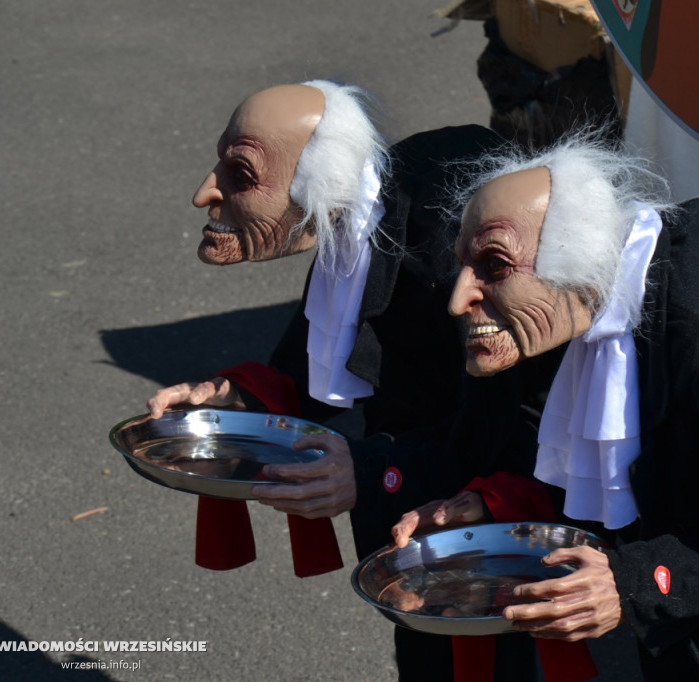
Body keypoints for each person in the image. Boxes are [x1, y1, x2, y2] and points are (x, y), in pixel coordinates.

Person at [145, 80, 558, 681]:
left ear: (317, 182)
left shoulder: (446, 239)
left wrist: (371, 471)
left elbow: (510, 421)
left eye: (240, 174)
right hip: (413, 500)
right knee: (424, 650)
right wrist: (236, 400)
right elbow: (322, 356)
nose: (205, 192)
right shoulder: (353, 217)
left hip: (478, 508)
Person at [392, 134, 699, 681]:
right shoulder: (570, 304)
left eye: (493, 264)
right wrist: (503, 502)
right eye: (463, 264)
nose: (458, 297)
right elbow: (610, 470)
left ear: (574, 258)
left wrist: (629, 581)